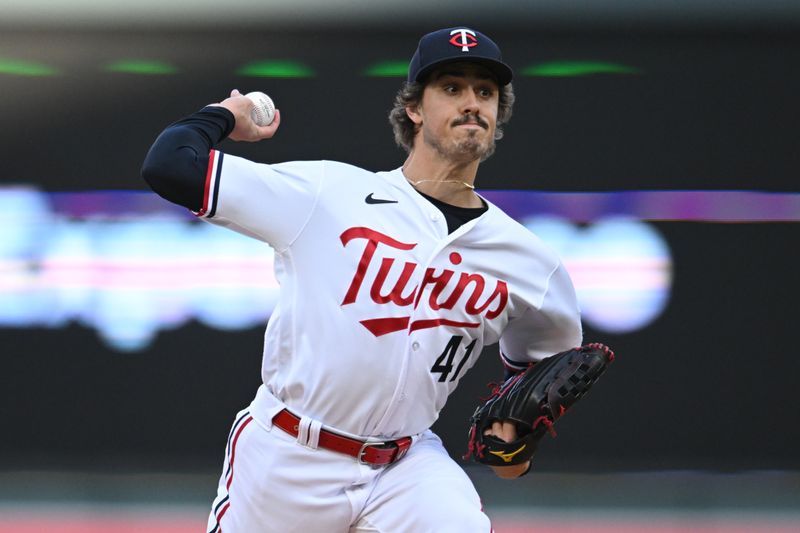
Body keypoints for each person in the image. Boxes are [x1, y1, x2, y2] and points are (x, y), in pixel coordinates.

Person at [141, 26, 582, 533]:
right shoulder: (330, 193)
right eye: (452, 88)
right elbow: (170, 165)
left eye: (486, 92)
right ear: (414, 108)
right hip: (289, 457)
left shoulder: (528, 260)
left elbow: (545, 370)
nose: (472, 103)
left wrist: (517, 439)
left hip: (407, 467)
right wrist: (224, 116)